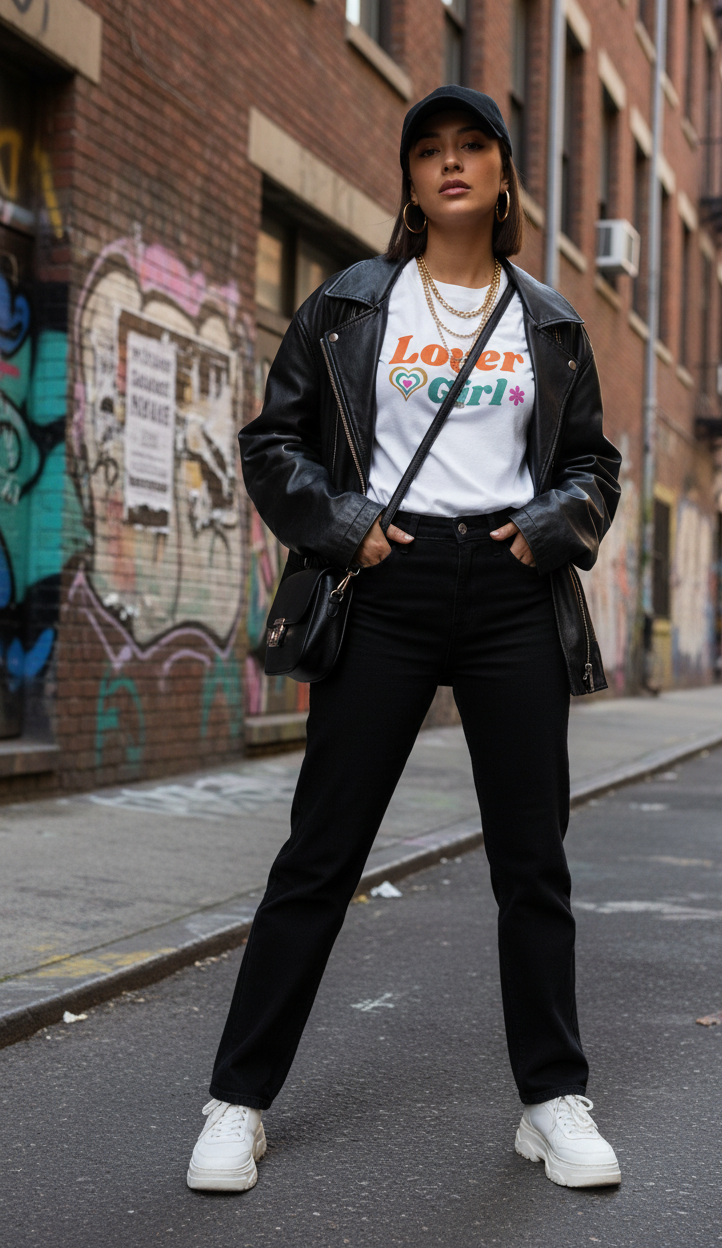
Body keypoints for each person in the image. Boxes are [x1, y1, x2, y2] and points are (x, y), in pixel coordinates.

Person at [187, 85, 622, 1194]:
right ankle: (236, 1102)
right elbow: (273, 441)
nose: (451, 163)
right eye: (429, 150)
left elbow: (592, 469)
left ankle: (550, 1100)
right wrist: (345, 528)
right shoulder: (349, 304)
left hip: (512, 589)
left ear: (502, 173)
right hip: (387, 581)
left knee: (532, 862)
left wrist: (542, 532)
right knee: (320, 854)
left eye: (472, 145)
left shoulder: (550, 322)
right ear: (410, 180)